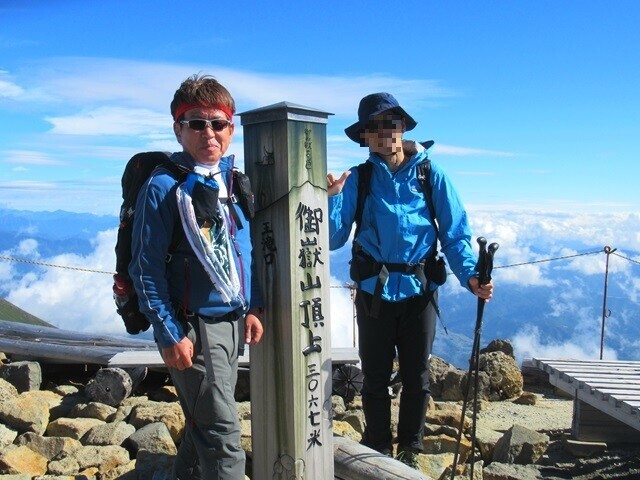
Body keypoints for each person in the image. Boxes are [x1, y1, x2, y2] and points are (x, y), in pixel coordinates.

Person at [327, 92, 493, 469]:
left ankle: (410, 450)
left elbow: (455, 234)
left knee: (417, 377)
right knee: (374, 377)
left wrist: (470, 275)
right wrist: (334, 196)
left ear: (402, 128)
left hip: (420, 291)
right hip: (374, 292)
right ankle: (377, 448)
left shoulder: (430, 173)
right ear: (364, 137)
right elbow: (334, 237)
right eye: (375, 126)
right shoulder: (360, 178)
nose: (385, 131)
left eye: (392, 122)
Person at [129, 74, 264, 480]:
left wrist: (252, 306)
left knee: (203, 421)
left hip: (231, 322)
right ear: (178, 129)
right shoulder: (163, 186)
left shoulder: (232, 181)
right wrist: (170, 334)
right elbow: (145, 269)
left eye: (218, 123)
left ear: (231, 128)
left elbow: (244, 252)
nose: (209, 132)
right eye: (196, 122)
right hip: (192, 328)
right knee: (223, 433)